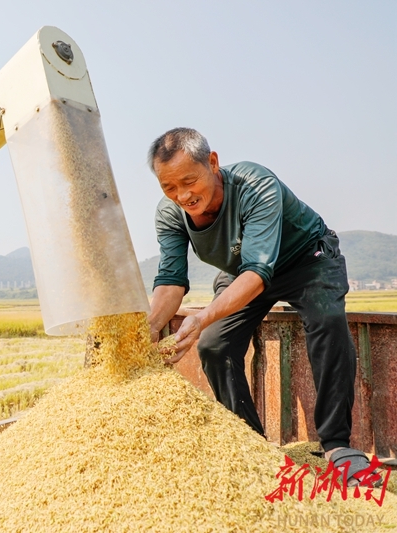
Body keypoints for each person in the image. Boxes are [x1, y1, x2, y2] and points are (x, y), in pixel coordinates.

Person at [145, 127, 373, 485]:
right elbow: (171, 280)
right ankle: (251, 444)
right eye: (169, 187)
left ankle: (336, 446)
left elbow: (259, 272)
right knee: (214, 344)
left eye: (189, 181)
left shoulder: (254, 183)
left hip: (305, 259)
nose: (182, 195)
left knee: (327, 320)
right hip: (242, 270)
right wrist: (147, 329)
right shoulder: (170, 214)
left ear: (213, 163)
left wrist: (202, 316)